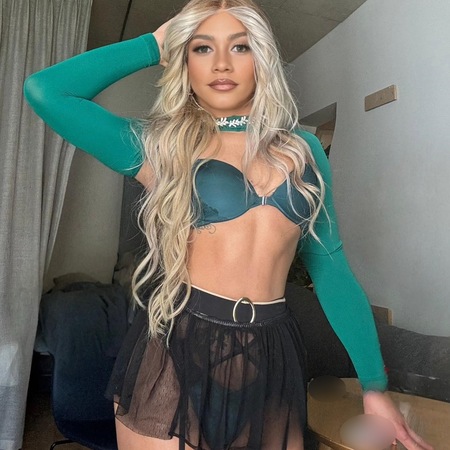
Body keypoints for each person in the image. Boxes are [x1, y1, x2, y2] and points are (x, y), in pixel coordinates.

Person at [24, 1, 433, 449]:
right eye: (202, 48)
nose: (221, 63)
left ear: (261, 57)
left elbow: (331, 268)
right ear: (184, 60)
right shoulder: (162, 146)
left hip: (272, 349)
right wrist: (154, 44)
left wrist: (374, 386)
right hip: (179, 348)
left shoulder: (305, 150)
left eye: (240, 46)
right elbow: (46, 91)